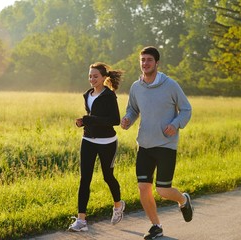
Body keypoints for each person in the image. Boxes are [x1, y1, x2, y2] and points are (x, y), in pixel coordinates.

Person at [121, 46, 193, 240]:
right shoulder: (136, 87)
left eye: (149, 60)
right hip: (144, 144)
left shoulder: (170, 85)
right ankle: (156, 226)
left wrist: (176, 124)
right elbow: (133, 110)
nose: (145, 63)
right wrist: (127, 119)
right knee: (143, 187)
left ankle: (183, 199)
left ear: (156, 63)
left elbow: (186, 109)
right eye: (142, 60)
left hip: (165, 144)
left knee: (162, 190)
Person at [68, 62, 125, 232]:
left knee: (108, 176)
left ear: (103, 78)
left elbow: (114, 120)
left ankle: (118, 205)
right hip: (88, 140)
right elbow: (91, 117)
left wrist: (89, 119)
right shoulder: (87, 94)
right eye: (90, 76)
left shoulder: (109, 96)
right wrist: (83, 122)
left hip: (107, 142)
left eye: (95, 76)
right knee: (85, 179)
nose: (92, 79)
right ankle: (81, 220)